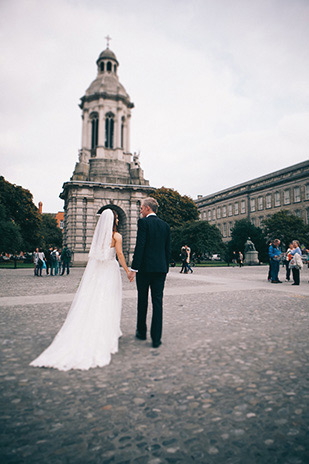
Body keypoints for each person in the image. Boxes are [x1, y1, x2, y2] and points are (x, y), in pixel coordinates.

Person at [30, 209, 131, 371]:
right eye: (117, 219)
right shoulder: (117, 236)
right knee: (109, 301)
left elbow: (97, 255)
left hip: (99, 273)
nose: (118, 221)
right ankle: (107, 333)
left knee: (95, 300)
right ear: (113, 220)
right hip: (110, 271)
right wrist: (127, 270)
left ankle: (96, 330)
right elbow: (119, 254)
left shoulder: (98, 238)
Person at [128, 197, 170, 348]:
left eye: (141, 208)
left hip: (145, 269)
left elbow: (140, 246)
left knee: (143, 300)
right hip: (160, 269)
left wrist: (134, 268)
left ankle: (141, 331)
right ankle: (156, 338)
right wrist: (166, 268)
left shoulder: (143, 223)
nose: (140, 211)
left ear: (147, 208)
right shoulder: (165, 226)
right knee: (158, 303)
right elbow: (167, 250)